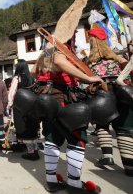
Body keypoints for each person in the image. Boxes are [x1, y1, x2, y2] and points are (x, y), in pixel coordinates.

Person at [31, 41, 103, 192]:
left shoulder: (46, 51)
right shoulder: (61, 48)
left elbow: (33, 71)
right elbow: (58, 61)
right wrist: (87, 78)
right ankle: (74, 184)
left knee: (52, 139)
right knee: (77, 138)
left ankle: (52, 181)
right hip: (61, 97)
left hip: (47, 97)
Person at [86, 26, 133, 176]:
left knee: (102, 124)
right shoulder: (120, 60)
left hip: (102, 95)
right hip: (121, 94)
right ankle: (129, 165)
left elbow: (84, 83)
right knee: (124, 128)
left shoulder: (89, 63)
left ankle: (107, 157)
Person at [7, 59, 40, 160]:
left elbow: (12, 93)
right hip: (32, 106)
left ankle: (30, 153)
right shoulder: (32, 78)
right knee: (32, 127)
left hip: (20, 107)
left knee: (24, 129)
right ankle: (35, 150)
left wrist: (9, 105)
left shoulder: (17, 78)